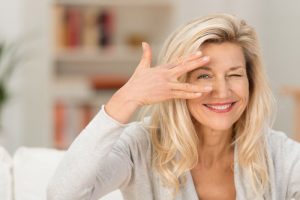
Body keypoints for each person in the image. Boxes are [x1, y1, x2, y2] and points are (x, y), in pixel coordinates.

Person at [47, 13, 300, 200]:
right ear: (176, 83)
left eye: (234, 75)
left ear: (250, 82)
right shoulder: (141, 145)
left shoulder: (277, 153)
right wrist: (126, 98)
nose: (222, 92)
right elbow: (63, 195)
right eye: (204, 76)